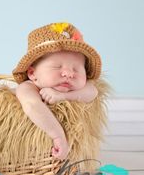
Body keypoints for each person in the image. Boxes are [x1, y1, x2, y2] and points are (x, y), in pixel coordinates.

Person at [12, 22, 102, 161]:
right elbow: (32, 105)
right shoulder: (27, 87)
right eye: (57, 67)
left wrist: (63, 96)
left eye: (76, 69)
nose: (68, 74)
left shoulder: (75, 88)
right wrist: (58, 136)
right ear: (32, 73)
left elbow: (93, 91)